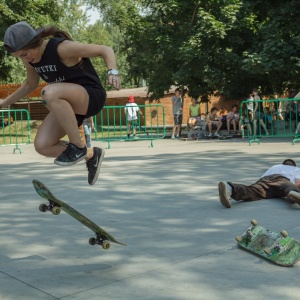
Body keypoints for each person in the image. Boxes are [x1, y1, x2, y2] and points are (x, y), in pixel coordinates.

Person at [0, 21, 120, 186]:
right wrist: (4, 103)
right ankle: (91, 155)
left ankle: (77, 146)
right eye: (20, 56)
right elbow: (30, 84)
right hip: (69, 105)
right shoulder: (30, 59)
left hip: (91, 96)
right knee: (43, 146)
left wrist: (112, 72)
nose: (25, 59)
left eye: (26, 54)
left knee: (48, 93)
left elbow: (105, 49)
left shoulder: (61, 48)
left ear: (35, 42)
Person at [218, 159, 300, 208]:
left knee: (251, 191)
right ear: (293, 165)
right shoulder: (296, 169)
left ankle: (230, 188)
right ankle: (293, 193)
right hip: (283, 180)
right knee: (289, 186)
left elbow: (261, 179)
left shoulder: (275, 166)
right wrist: (295, 188)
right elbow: (297, 183)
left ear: (283, 163)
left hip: (265, 180)